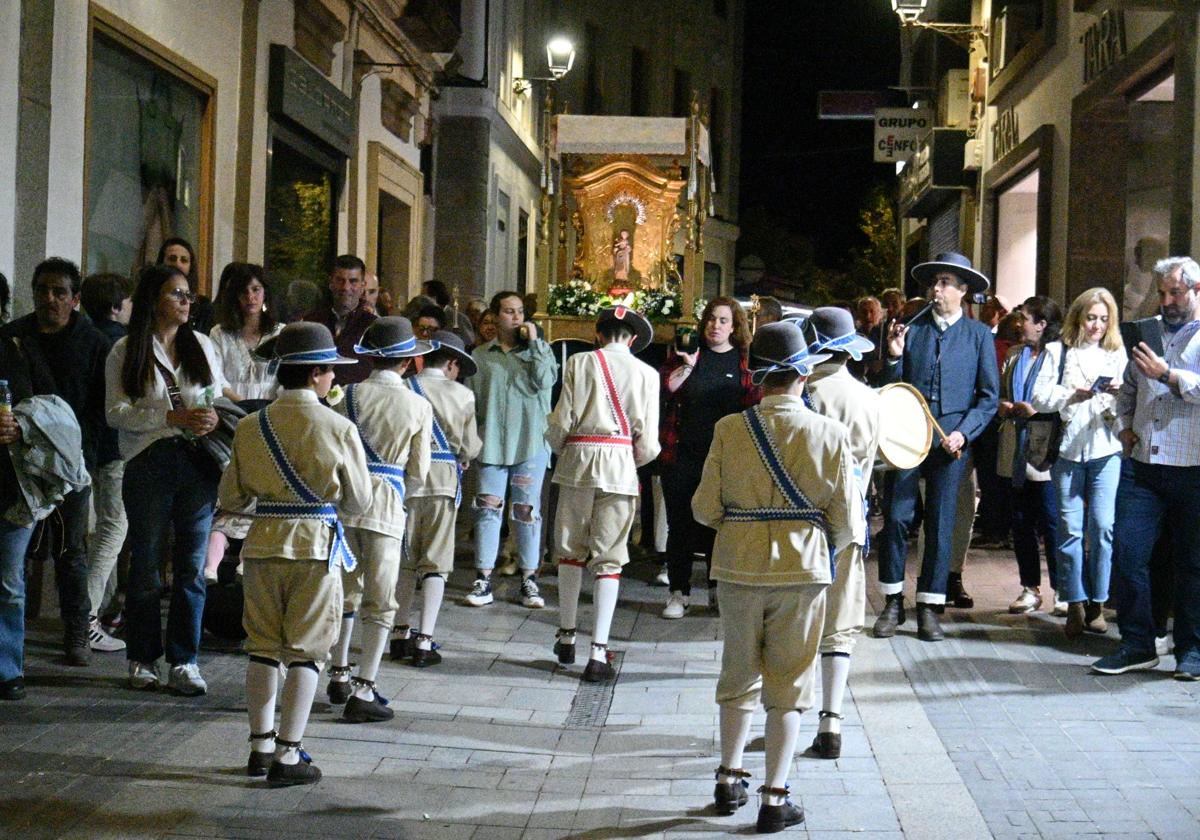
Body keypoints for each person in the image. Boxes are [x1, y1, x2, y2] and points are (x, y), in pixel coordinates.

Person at [693, 320, 854, 834]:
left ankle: (727, 777)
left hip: (738, 566)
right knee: (789, 684)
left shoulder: (728, 428)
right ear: (804, 373)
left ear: (758, 377)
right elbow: (848, 522)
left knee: (737, 674)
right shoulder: (829, 433)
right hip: (802, 569)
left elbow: (703, 508)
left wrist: (740, 528)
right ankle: (774, 796)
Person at [219, 322, 372, 785]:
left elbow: (232, 496)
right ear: (319, 373)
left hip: (263, 543)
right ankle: (290, 755)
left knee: (262, 648)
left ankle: (260, 747)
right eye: (331, 372)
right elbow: (359, 501)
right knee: (307, 651)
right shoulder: (339, 426)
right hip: (315, 547)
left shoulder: (250, 425)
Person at [106, 264, 226, 694]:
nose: (185, 301)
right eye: (177, 293)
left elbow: (217, 393)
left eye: (188, 295)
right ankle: (141, 656)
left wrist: (210, 416)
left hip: (196, 462)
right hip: (149, 460)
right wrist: (167, 415)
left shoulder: (204, 347)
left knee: (193, 564)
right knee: (146, 563)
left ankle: (184, 660)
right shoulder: (127, 350)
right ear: (155, 298)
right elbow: (115, 412)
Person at [874, 253, 1000, 642]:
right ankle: (892, 601)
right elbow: (891, 388)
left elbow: (988, 397)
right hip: (908, 439)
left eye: (946, 283)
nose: (936, 289)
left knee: (942, 523)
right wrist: (894, 357)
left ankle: (929, 605)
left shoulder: (978, 336)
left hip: (951, 444)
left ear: (963, 292)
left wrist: (964, 432)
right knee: (896, 517)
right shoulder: (913, 329)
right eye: (935, 282)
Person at [2, 258, 113, 664]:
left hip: (71, 464)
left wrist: (85, 459)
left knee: (70, 549)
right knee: (18, 549)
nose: (50, 299)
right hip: (21, 463)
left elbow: (102, 409)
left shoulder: (94, 343)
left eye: (59, 292)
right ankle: (17, 636)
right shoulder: (14, 338)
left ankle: (76, 631)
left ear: (76, 299)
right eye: (43, 291)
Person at [1094, 256, 1200, 678]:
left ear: (1195, 291)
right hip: (1143, 465)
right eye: (1162, 292)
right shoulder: (1147, 333)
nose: (1167, 300)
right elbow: (1128, 389)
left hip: (1192, 466)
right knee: (1128, 553)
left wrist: (1171, 375)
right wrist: (1122, 428)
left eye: (1175, 292)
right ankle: (1138, 643)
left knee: (1192, 564)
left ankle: (1191, 650)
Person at [546, 306, 660, 682]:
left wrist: (562, 448)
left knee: (569, 550)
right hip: (619, 464)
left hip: (578, 459)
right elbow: (649, 443)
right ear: (632, 338)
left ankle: (565, 636)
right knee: (609, 558)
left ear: (598, 333)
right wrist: (631, 459)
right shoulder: (647, 374)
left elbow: (561, 419)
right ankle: (598, 651)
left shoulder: (579, 363)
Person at [326, 317, 432, 720]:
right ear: (406, 362)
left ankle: (337, 672)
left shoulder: (346, 395)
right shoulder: (418, 405)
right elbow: (418, 472)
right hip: (387, 502)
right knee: (381, 599)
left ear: (370, 358)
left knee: (344, 590)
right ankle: (365, 686)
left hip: (345, 500)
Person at [801, 307, 882, 760]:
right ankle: (831, 721)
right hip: (848, 518)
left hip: (798, 519)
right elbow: (872, 464)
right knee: (839, 626)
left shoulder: (802, 391)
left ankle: (789, 711)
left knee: (795, 621)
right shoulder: (870, 399)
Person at [1032, 288, 1126, 636]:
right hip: (1068, 450)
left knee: (1102, 527)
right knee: (1069, 531)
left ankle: (1098, 602)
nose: (1097, 325)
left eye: (1103, 319)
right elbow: (1039, 397)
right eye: (1091, 317)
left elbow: (1128, 402)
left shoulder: (1116, 354)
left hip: (1105, 449)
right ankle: (1074, 602)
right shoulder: (1058, 352)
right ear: (1078, 317)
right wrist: (1073, 394)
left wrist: (1114, 397)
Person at [659, 297, 760, 619]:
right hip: (682, 454)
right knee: (680, 526)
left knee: (721, 526)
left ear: (735, 327)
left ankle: (717, 590)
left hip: (725, 457)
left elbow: (752, 405)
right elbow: (666, 390)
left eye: (723, 320)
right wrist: (687, 364)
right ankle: (679, 592)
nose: (715, 326)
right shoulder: (688, 356)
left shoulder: (744, 363)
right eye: (712, 319)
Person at [463, 291, 557, 608]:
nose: (515, 317)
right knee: (488, 509)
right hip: (491, 446)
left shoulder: (540, 351)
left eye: (519, 312)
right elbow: (471, 404)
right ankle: (483, 578)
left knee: (525, 512)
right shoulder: (480, 355)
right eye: (508, 311)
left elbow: (546, 381)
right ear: (494, 316)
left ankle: (529, 578)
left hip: (529, 446)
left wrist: (534, 345)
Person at [393, 330, 481, 666]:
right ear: (453, 364)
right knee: (435, 562)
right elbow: (471, 446)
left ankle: (399, 633)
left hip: (405, 479)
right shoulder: (462, 395)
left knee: (404, 557)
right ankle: (425, 640)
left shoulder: (404, 387)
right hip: (443, 479)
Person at [996, 297, 1063, 615]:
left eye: (1024, 318)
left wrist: (1037, 409)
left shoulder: (1058, 356)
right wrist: (1004, 405)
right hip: (1016, 444)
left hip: (1047, 446)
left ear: (1042, 324)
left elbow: (1064, 397)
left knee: (1052, 520)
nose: (1018, 322)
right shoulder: (1013, 354)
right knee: (1021, 521)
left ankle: (1062, 590)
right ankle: (1029, 588)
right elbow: (1001, 392)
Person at [79, 272, 133, 647]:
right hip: (114, 446)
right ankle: (86, 616)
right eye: (127, 302)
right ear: (117, 307)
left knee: (103, 528)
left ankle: (104, 611)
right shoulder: (120, 343)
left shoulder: (81, 337)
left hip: (88, 445)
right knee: (114, 527)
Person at [0, 335, 50, 700]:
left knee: (8, 580)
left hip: (13, 484)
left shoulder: (18, 347)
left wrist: (23, 427)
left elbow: (52, 407)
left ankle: (7, 669)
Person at [208, 263, 284, 403]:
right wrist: (244, 407)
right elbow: (216, 378)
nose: (250, 296)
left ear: (265, 293)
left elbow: (287, 382)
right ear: (236, 296)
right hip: (231, 412)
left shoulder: (282, 333)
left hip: (273, 414)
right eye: (244, 291)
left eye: (256, 290)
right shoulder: (219, 334)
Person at [303, 255, 377, 385]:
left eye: (353, 281)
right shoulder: (311, 322)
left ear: (362, 286)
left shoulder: (374, 326)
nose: (346, 287)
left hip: (357, 401)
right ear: (330, 283)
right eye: (340, 280)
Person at [157, 237, 214, 335]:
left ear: (190, 267)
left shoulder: (203, 306)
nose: (178, 264)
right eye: (172, 259)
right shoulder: (151, 298)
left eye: (184, 260)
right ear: (162, 262)